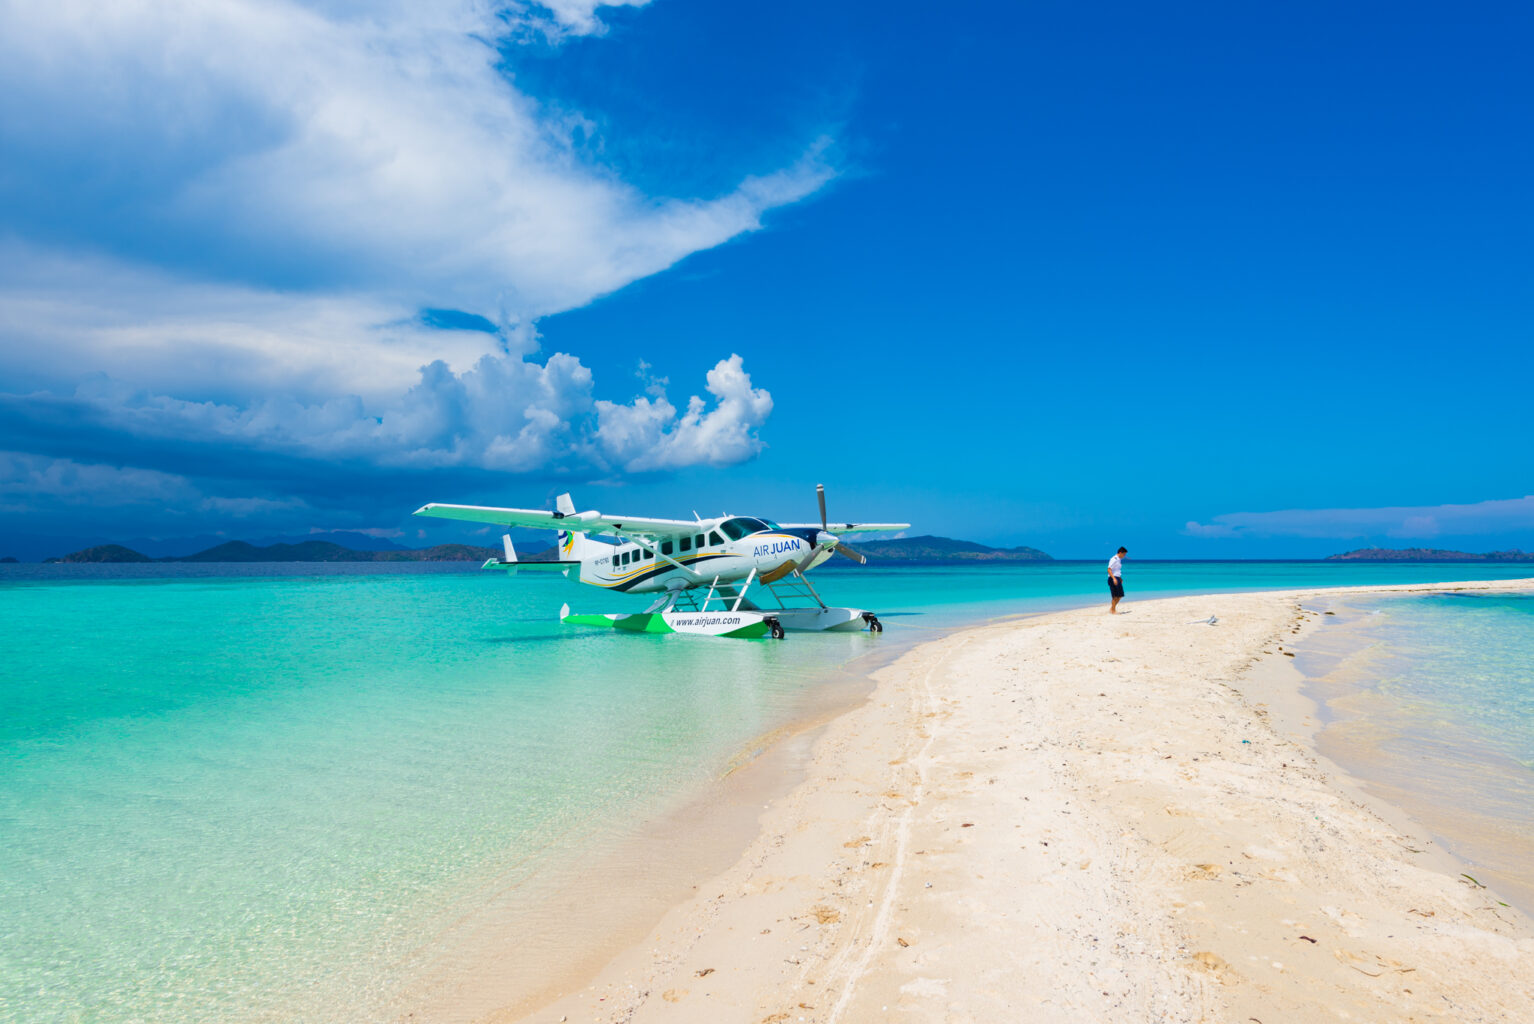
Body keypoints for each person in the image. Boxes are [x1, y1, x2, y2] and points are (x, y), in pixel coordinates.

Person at [1107, 546, 1127, 613]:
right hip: (1113, 578)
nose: (1124, 556)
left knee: (1120, 595)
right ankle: (1113, 610)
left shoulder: (1119, 559)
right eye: (1124, 554)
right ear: (1120, 553)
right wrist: (1114, 578)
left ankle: (1112, 608)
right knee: (1115, 596)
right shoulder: (1114, 559)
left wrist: (1120, 578)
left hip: (1117, 578)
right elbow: (1109, 569)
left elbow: (1117, 570)